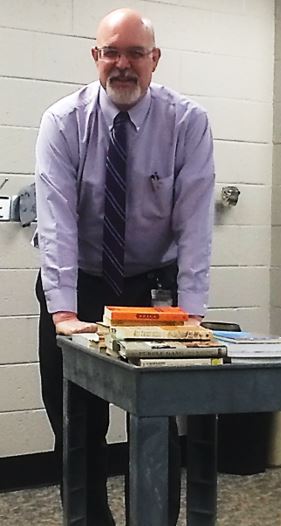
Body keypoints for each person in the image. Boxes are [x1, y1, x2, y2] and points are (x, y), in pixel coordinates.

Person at [35, 7, 215, 526]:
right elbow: (57, 224)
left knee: (156, 426)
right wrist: (63, 314)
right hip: (79, 286)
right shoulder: (63, 122)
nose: (123, 64)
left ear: (154, 59)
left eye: (136, 53)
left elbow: (196, 225)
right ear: (96, 56)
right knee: (76, 430)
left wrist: (193, 312)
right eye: (111, 51)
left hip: (154, 290)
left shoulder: (187, 122)